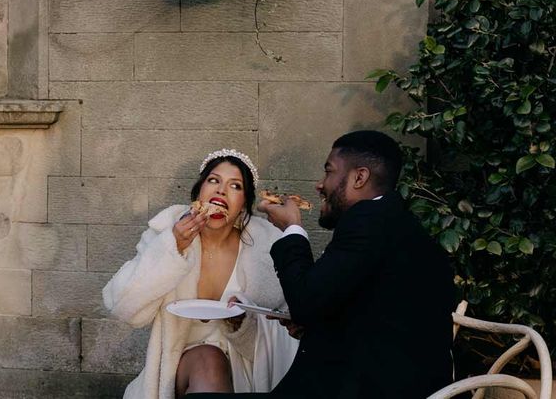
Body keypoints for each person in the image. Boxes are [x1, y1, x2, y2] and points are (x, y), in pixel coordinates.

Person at [191, 130, 456, 399]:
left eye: (329, 172)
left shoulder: (366, 221)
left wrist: (292, 229)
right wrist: (315, 324)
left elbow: (307, 300)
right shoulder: (395, 222)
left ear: (359, 177)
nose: (320, 185)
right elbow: (380, 315)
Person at [102, 149, 299, 398]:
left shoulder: (266, 248)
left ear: (242, 206)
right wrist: (173, 247)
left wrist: (241, 324)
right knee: (209, 360)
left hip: (247, 373)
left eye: (235, 186)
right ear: (199, 193)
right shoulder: (167, 235)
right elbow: (123, 307)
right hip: (180, 370)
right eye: (213, 181)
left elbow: (283, 337)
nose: (221, 190)